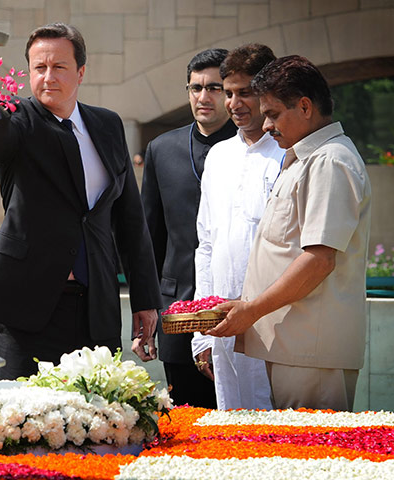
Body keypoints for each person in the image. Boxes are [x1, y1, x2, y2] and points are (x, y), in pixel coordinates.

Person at [0, 23, 161, 379]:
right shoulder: (17, 118)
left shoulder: (108, 125)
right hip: (27, 305)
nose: (47, 77)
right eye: (39, 67)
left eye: (59, 67)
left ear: (81, 72)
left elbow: (130, 219)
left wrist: (145, 299)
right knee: (27, 420)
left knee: (97, 417)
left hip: (95, 306)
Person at [209, 55, 372, 411]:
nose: (266, 126)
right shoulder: (306, 158)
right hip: (296, 345)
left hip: (311, 349)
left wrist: (251, 310)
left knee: (314, 459)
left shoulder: (330, 161)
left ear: (304, 107)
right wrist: (248, 308)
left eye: (273, 114)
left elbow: (318, 260)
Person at [140, 48, 236, 408]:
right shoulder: (161, 149)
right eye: (195, 88)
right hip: (178, 309)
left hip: (234, 307)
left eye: (213, 88)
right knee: (185, 419)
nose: (203, 97)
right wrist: (147, 309)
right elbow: (149, 237)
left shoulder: (251, 148)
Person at [190, 44, 282, 411]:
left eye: (245, 92)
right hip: (222, 326)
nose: (234, 103)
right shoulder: (219, 156)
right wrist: (202, 333)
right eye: (228, 93)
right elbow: (206, 245)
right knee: (232, 430)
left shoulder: (289, 155)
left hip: (274, 325)